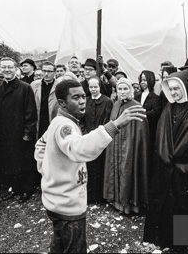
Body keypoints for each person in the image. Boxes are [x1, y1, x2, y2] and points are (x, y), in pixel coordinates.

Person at [34, 79, 146, 253]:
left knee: (59, 245)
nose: (82, 101)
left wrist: (48, 172)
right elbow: (79, 149)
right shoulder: (65, 125)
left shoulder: (59, 121)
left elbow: (40, 146)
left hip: (57, 201)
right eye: (75, 98)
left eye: (82, 96)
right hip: (67, 206)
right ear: (62, 103)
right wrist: (114, 125)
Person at [143, 70, 188, 248]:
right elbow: (161, 134)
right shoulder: (169, 107)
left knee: (180, 205)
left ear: (185, 88)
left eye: (177, 88)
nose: (175, 92)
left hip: (182, 167)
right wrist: (165, 155)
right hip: (164, 165)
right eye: (172, 89)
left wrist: (173, 156)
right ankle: (160, 239)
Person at [0, 57, 38, 204]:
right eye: (3, 67)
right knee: (9, 162)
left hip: (20, 133)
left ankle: (27, 189)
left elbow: (31, 113)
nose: (6, 70)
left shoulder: (25, 87)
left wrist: (27, 134)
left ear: (15, 69)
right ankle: (14, 188)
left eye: (10, 67)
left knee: (24, 162)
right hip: (4, 134)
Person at [103, 78, 150, 214]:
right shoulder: (116, 104)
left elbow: (141, 132)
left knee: (128, 171)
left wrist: (132, 145)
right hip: (116, 144)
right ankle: (117, 201)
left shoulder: (137, 106)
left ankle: (129, 205)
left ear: (130, 90)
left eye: (125, 89)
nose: (122, 92)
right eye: (120, 89)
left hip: (131, 146)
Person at [84, 76, 113, 202]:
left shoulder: (107, 101)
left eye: (96, 87)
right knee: (89, 166)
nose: (93, 89)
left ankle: (100, 195)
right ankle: (90, 195)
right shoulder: (86, 100)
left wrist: (100, 134)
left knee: (100, 166)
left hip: (101, 138)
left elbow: (108, 120)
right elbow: (81, 119)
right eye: (91, 87)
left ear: (100, 87)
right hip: (88, 138)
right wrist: (85, 133)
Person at [135, 70, 162, 156]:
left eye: (145, 80)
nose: (142, 82)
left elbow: (155, 112)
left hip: (149, 132)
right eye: (141, 80)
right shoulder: (137, 96)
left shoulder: (156, 98)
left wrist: (141, 113)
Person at [30, 61, 58, 139]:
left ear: (54, 72)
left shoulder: (59, 86)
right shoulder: (34, 85)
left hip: (51, 121)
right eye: (44, 71)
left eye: (49, 71)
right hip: (38, 122)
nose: (46, 74)